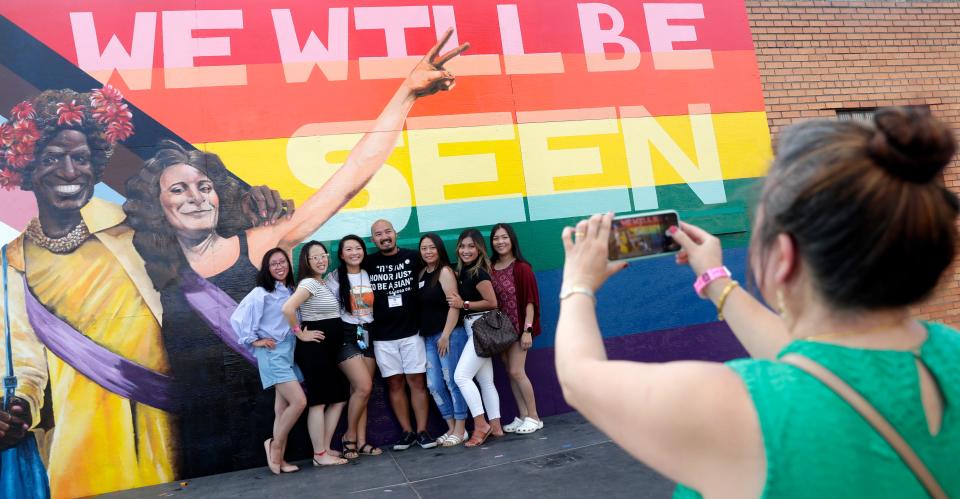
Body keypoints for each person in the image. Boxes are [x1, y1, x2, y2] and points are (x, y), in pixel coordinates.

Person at [555, 107, 960, 497]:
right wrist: (714, 279)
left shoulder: (733, 405)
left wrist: (577, 283)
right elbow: (811, 359)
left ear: (784, 257)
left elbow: (578, 377)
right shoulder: (949, 352)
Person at [121, 30, 470, 473]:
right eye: (178, 189)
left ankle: (286, 452)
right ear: (160, 206)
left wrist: (405, 94)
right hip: (201, 432)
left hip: (269, 392)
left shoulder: (258, 244)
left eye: (203, 186)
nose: (196, 197)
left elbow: (349, 178)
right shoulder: (141, 263)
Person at [0, 86, 283, 497]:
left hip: (174, 428)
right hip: (80, 446)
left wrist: (252, 201)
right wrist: (21, 406)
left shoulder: (133, 227)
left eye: (80, 158)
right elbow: (25, 364)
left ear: (96, 166)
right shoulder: (13, 262)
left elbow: (206, 232)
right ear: (26, 168)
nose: (68, 171)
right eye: (50, 159)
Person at [231, 248, 305, 475]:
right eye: (274, 264)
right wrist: (255, 341)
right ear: (267, 268)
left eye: (283, 262)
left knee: (282, 407)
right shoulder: (261, 293)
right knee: (299, 402)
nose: (280, 266)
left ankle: (279, 459)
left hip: (288, 353)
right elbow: (237, 318)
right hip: (273, 355)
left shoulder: (291, 290)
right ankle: (275, 446)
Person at [364, 219, 435, 450]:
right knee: (394, 384)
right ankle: (407, 432)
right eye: (378, 234)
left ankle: (422, 431)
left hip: (412, 332)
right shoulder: (367, 262)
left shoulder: (414, 257)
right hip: (382, 337)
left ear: (395, 234)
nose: (384, 237)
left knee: (416, 381)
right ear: (373, 239)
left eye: (387, 232)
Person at [280, 241, 350, 466]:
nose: (321, 260)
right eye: (315, 257)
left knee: (338, 399)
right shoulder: (309, 283)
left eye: (324, 255)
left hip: (328, 351)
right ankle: (319, 455)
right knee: (319, 402)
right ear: (307, 262)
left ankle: (325, 448)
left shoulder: (323, 283)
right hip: (314, 351)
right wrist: (300, 334)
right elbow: (288, 308)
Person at [325, 235, 380, 458]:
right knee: (364, 386)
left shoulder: (370, 273)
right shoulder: (334, 278)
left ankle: (361, 441)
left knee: (361, 392)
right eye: (349, 249)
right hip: (345, 335)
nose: (354, 252)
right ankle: (349, 436)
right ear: (341, 254)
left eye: (358, 248)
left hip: (368, 332)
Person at [449, 229, 504, 447]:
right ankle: (497, 426)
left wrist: (464, 304)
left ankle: (481, 424)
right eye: (462, 246)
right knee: (485, 381)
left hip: (481, 327)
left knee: (461, 376)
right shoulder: (463, 271)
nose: (466, 250)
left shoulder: (479, 273)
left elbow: (492, 302)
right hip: (476, 328)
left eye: (471, 246)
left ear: (479, 249)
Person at [489, 223, 543, 434]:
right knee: (510, 374)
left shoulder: (522, 267)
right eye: (496, 238)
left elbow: (530, 302)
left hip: (519, 330)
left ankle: (535, 417)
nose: (500, 242)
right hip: (500, 332)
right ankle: (523, 416)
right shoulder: (490, 267)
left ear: (512, 240)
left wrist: (527, 330)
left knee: (516, 371)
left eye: (504, 237)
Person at [417, 233, 469, 446]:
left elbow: (453, 305)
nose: (428, 252)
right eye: (424, 248)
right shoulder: (422, 273)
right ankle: (450, 428)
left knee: (452, 381)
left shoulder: (445, 272)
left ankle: (461, 429)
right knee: (434, 385)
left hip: (449, 335)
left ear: (439, 249)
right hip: (429, 337)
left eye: (432, 247)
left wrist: (446, 335)